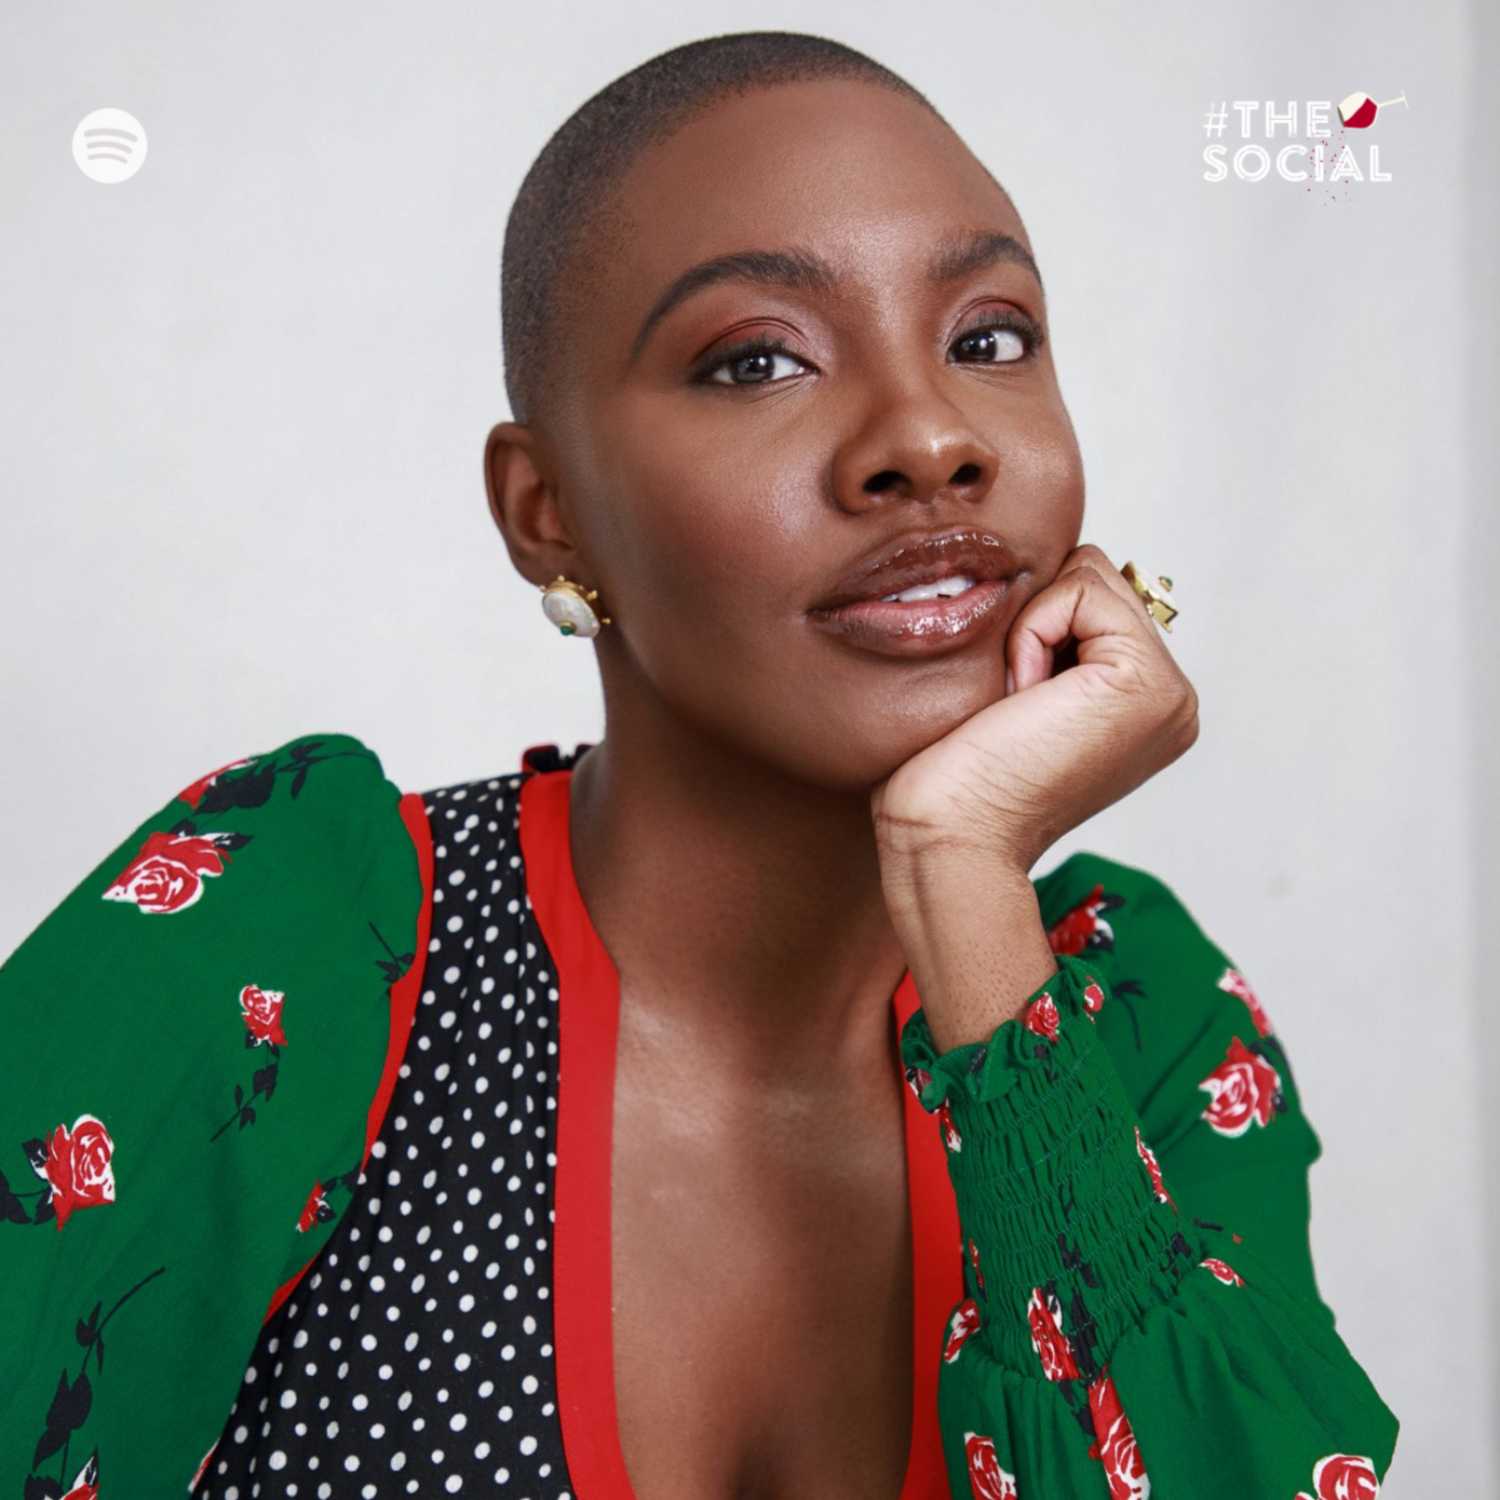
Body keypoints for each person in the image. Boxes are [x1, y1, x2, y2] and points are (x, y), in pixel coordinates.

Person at [0, 29, 1398, 1500]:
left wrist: (967, 883)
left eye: (988, 340)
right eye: (760, 361)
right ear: (547, 512)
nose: (930, 438)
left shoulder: (1138, 1018)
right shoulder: (296, 951)